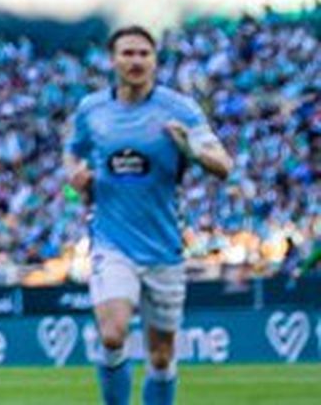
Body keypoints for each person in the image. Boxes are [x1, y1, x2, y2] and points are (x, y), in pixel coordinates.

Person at [66, 26, 233, 405]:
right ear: (112, 60)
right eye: (128, 53)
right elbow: (73, 154)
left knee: (160, 355)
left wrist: (191, 149)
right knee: (112, 334)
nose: (136, 60)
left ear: (155, 60)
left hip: (163, 248)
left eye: (144, 53)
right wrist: (76, 178)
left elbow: (224, 165)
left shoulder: (179, 110)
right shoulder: (92, 110)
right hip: (111, 243)